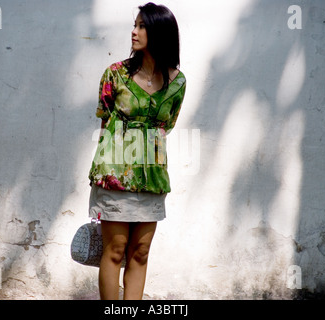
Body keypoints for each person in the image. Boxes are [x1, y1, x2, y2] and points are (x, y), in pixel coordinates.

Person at [88, 2, 186, 300]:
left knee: (140, 252)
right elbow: (105, 125)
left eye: (142, 26)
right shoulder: (115, 75)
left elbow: (165, 126)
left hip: (153, 178)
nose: (134, 31)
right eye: (135, 24)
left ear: (159, 32)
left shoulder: (178, 82)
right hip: (116, 175)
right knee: (115, 251)